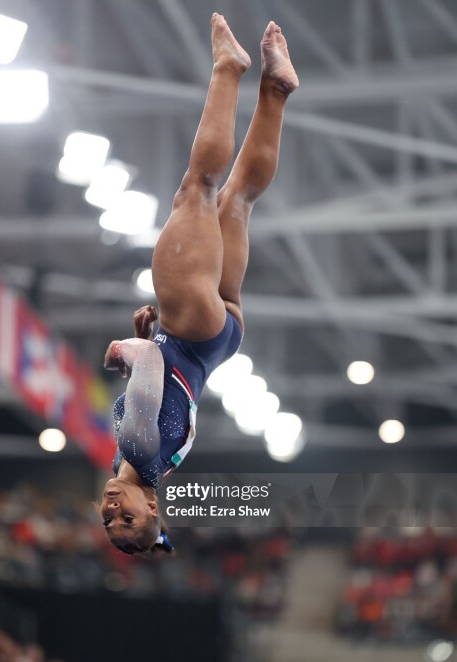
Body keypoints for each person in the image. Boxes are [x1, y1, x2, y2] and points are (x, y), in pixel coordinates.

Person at [100, 13, 299, 555]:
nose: (113, 512)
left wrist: (145, 338)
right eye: (129, 521)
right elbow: (146, 364)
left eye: (108, 523)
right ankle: (228, 69)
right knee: (198, 191)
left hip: (218, 337)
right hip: (190, 329)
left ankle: (275, 90)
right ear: (154, 509)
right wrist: (126, 349)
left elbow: (160, 380)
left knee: (237, 199)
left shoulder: (149, 457)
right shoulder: (138, 450)